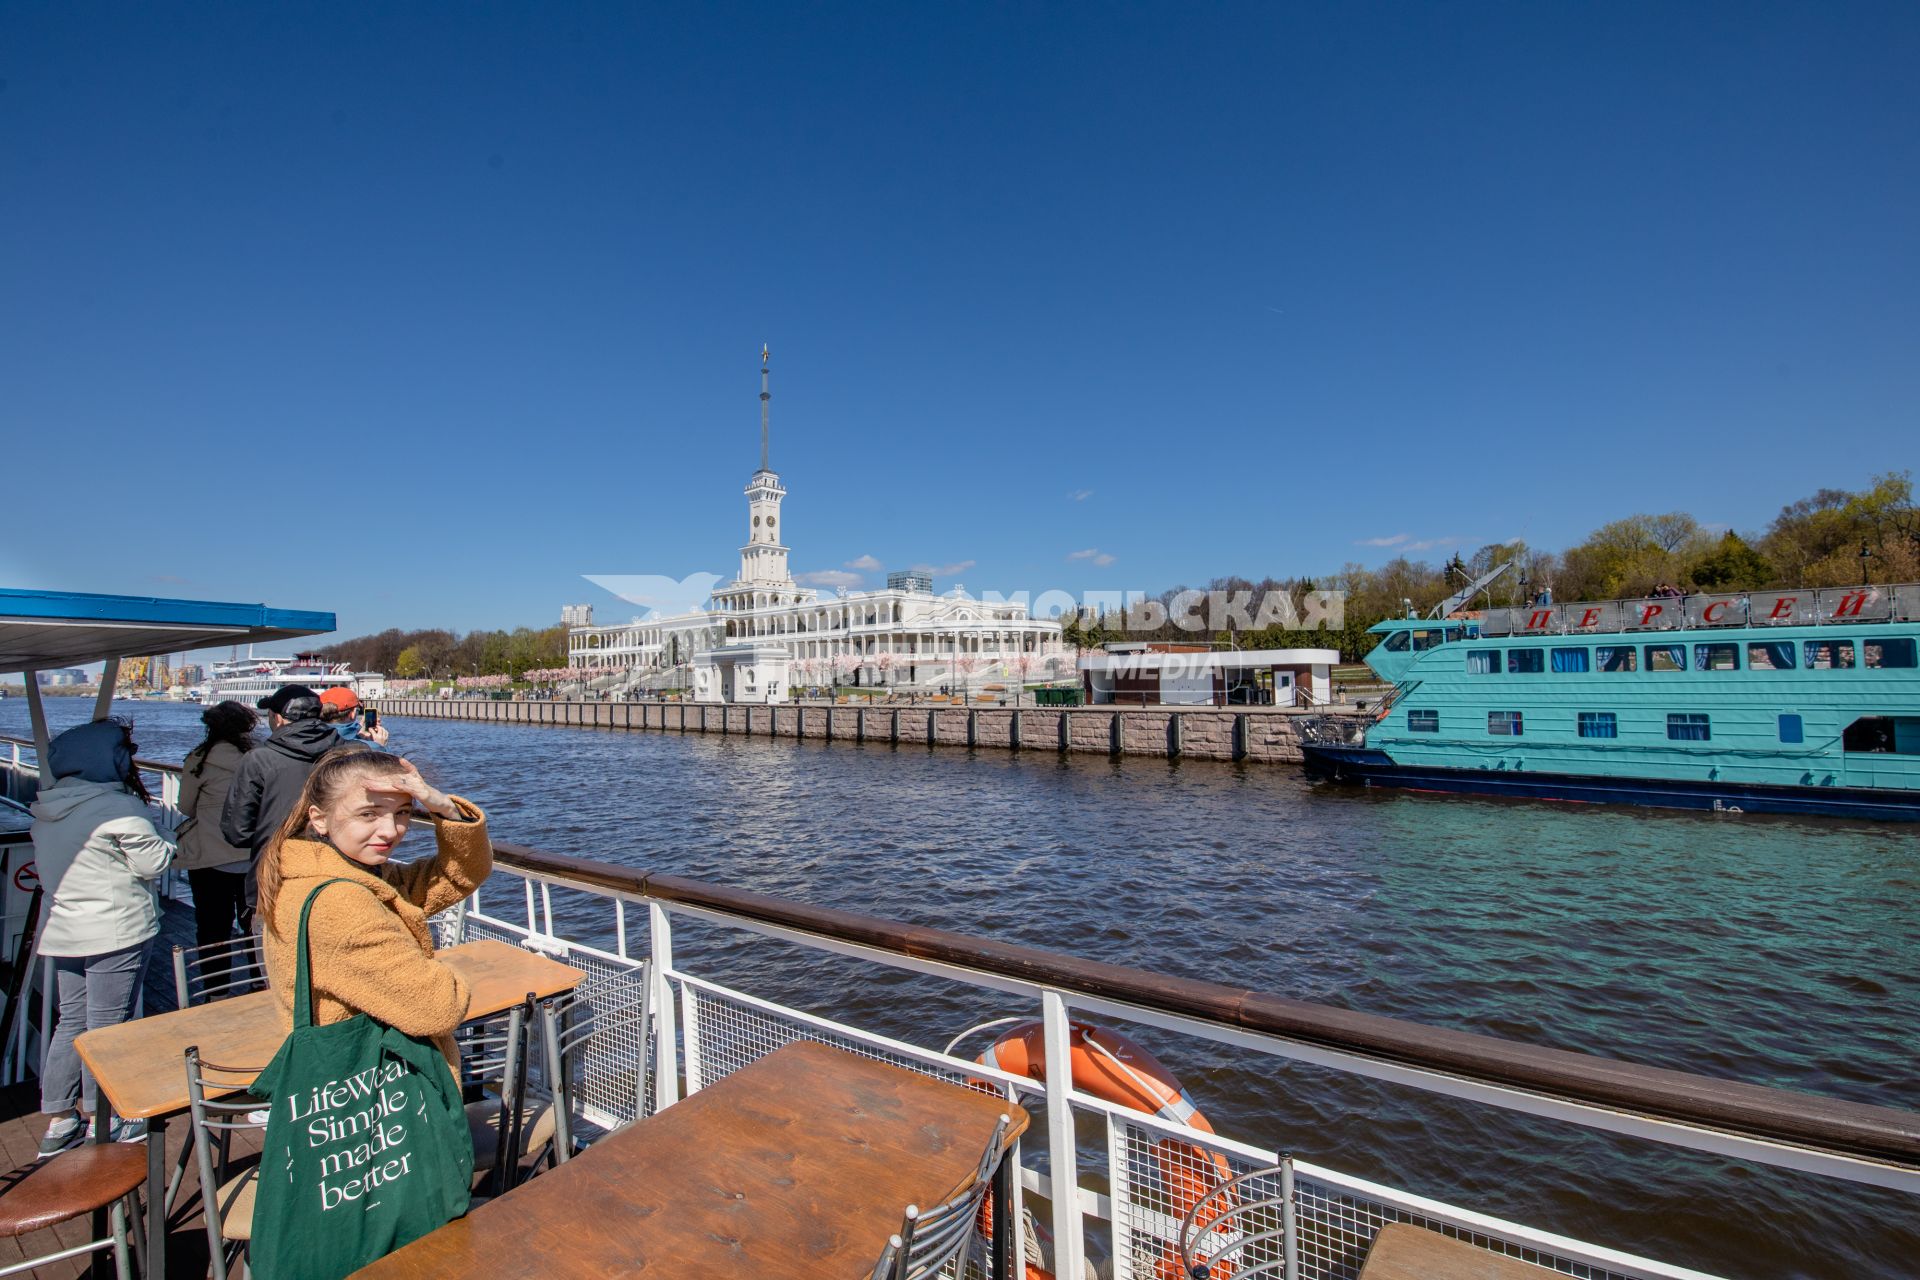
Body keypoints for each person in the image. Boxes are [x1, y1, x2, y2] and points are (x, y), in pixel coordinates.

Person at [256, 750, 491, 1080]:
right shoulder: (340, 902)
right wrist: (436, 969)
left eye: (402, 813)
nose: (391, 831)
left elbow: (459, 874)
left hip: (350, 1076)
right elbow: (438, 1006)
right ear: (319, 818)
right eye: (369, 814)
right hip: (376, 1089)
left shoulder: (345, 873)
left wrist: (445, 808)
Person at [29, 719, 178, 1155]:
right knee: (108, 1026)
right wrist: (168, 837)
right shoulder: (118, 807)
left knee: (71, 1021)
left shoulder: (50, 805)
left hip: (67, 929)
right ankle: (105, 1114)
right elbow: (152, 863)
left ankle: (59, 1116)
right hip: (117, 929)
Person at [220, 685, 340, 911]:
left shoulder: (259, 759)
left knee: (273, 944)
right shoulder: (350, 752)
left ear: (278, 719)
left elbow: (236, 831)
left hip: (275, 879)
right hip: (336, 875)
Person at [178, 701, 263, 975]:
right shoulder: (261, 757)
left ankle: (215, 990)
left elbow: (185, 807)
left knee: (212, 927)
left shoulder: (199, 760)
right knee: (255, 925)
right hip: (253, 856)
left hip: (210, 858)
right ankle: (258, 983)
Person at [318, 686, 390, 748]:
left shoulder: (313, 737)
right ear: (353, 713)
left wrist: (358, 731)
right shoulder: (370, 747)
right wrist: (379, 746)